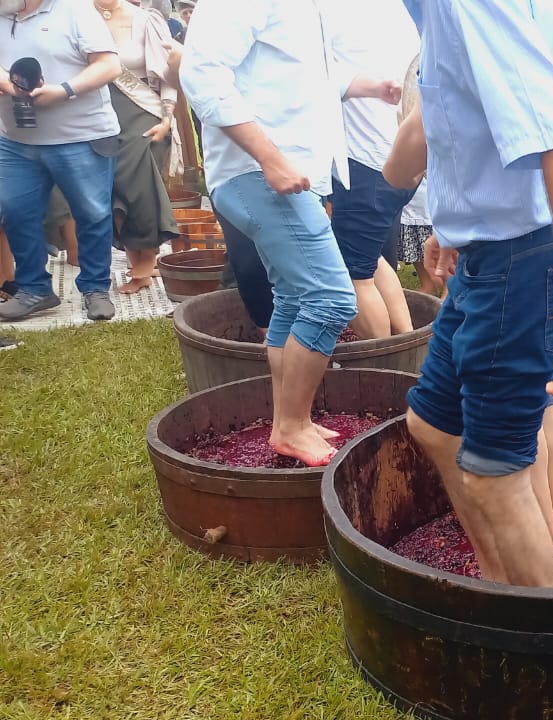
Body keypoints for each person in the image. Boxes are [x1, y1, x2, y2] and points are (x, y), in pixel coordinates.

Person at [393, 1, 553, 587]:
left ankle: (543, 655)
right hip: (486, 253)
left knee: (496, 475)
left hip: (520, 261)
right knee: (435, 428)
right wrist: (452, 226)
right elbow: (458, 124)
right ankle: (500, 592)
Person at [181, 0, 401, 466]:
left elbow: (308, 78)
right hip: (258, 173)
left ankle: (289, 419)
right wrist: (270, 157)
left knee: (295, 300)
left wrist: (370, 86)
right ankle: (291, 425)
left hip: (282, 173)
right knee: (332, 299)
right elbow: (203, 76)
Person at [0, 0, 123, 323]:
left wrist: (65, 90)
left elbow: (109, 65)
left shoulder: (75, 9)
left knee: (92, 214)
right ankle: (34, 290)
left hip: (81, 135)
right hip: (16, 141)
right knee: (15, 212)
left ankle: (96, 289)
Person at [325, 0, 420, 340]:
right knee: (372, 259)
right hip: (403, 157)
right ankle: (408, 344)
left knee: (355, 276)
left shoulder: (334, 12)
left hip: (366, 165)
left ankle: (383, 359)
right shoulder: (401, 10)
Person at [96, 0, 181, 295]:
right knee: (112, 188)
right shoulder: (77, 20)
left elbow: (169, 75)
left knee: (139, 184)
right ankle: (138, 262)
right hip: (97, 115)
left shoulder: (147, 21)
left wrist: (168, 118)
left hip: (143, 112)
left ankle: (146, 264)